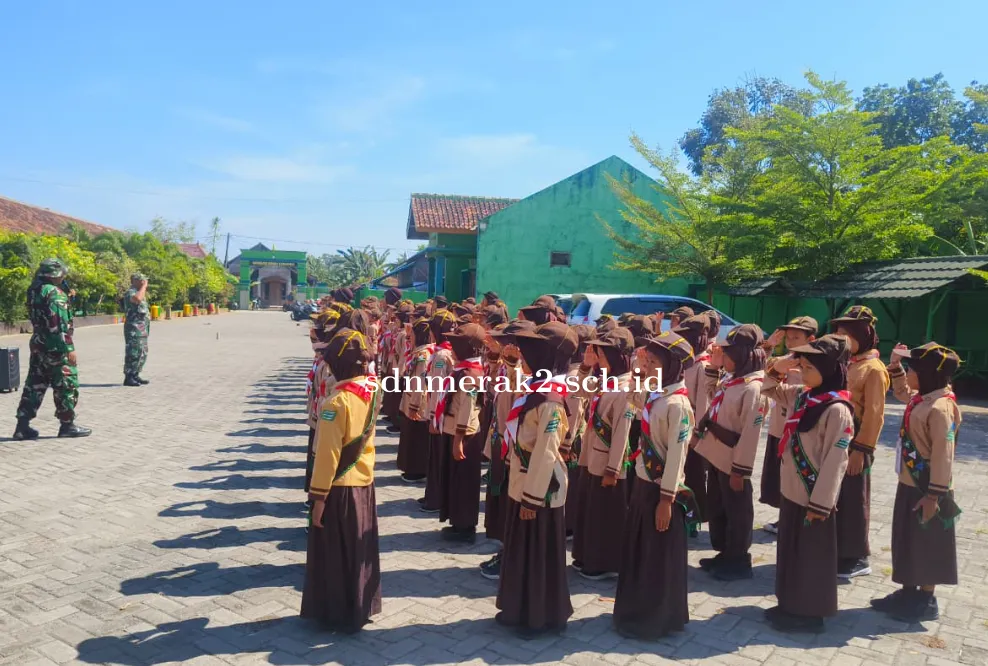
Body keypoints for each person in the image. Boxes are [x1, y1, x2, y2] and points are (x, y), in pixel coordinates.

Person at [762, 335, 855, 633]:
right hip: (792, 491)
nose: (802, 372)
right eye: (801, 366)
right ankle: (789, 604)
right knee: (790, 551)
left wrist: (821, 504)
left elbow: (836, 461)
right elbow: (768, 388)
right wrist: (780, 366)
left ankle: (810, 614)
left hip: (813, 497)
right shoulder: (803, 396)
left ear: (828, 369)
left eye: (809, 367)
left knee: (811, 557)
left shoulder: (837, 409)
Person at [613, 331, 696, 640]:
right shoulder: (656, 393)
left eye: (655, 362)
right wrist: (639, 370)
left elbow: (677, 456)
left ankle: (656, 618)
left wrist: (666, 500)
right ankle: (634, 609)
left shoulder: (678, 404)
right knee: (640, 552)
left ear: (673, 366)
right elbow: (632, 397)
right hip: (643, 485)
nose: (649, 367)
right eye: (648, 361)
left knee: (657, 558)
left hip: (661, 491)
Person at [871, 342, 961, 622]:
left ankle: (925, 599)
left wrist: (934, 496)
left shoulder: (941, 408)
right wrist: (895, 366)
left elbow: (944, 455)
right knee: (908, 539)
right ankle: (908, 591)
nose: (909, 374)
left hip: (928, 487)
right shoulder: (924, 398)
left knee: (928, 543)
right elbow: (902, 393)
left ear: (927, 374)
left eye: (912, 369)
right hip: (910, 483)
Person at [496, 321, 576, 636]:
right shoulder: (536, 389)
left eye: (528, 352)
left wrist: (531, 498)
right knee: (522, 551)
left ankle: (540, 617)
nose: (523, 356)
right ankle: (518, 609)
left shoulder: (552, 402)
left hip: (540, 490)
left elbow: (546, 452)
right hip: (524, 481)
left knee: (538, 555)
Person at [302, 328, 381, 633]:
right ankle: (361, 606)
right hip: (364, 482)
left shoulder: (336, 404)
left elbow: (328, 456)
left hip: (339, 488)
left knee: (336, 554)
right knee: (359, 551)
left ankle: (338, 612)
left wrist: (318, 498)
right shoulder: (372, 389)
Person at [694, 324, 767, 581]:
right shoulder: (732, 379)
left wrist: (740, 470)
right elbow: (712, 396)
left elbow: (750, 434)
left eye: (727, 354)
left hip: (733, 460)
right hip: (716, 454)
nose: (722, 356)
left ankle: (738, 560)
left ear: (742, 355)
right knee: (719, 507)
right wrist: (714, 369)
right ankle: (724, 552)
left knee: (737, 512)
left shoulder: (754, 388)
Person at [571, 327, 636, 580]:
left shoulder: (627, 387)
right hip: (592, 456)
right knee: (590, 510)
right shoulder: (608, 380)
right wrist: (585, 367)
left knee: (605, 515)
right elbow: (578, 392)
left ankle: (604, 563)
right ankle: (586, 555)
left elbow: (622, 432)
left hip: (607, 463)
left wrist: (613, 469)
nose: (599, 357)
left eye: (603, 353)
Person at [830, 305, 889, 579]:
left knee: (854, 500)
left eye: (846, 334)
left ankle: (857, 557)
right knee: (837, 496)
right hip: (837, 439)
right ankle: (838, 549)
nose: (840, 339)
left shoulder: (873, 369)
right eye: (838, 333)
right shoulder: (847, 362)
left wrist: (861, 450)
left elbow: (875, 414)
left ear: (861, 335)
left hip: (855, 443)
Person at [13, 259, 91, 440]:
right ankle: (67, 425)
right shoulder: (55, 293)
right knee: (66, 384)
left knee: (34, 385)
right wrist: (69, 348)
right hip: (56, 346)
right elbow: (59, 324)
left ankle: (22, 426)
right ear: (55, 275)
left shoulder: (35, 290)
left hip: (39, 344)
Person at [480, 320, 534, 579]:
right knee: (499, 501)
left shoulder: (526, 373)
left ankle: (509, 555)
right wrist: (494, 360)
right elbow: (493, 390)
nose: (499, 345)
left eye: (503, 342)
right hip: (499, 439)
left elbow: (516, 388)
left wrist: (511, 365)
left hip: (511, 446)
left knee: (507, 501)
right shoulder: (507, 367)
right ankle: (504, 548)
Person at [759, 316, 818, 534]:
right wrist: (769, 347)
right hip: (778, 428)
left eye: (796, 337)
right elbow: (760, 368)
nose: (790, 342)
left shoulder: (813, 367)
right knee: (778, 478)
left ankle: (797, 521)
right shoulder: (783, 360)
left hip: (798, 432)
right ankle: (784, 517)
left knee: (796, 477)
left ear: (811, 339)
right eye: (788, 337)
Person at [438, 323, 486, 542]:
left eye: (456, 345)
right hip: (454, 431)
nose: (452, 349)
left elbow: (467, 410)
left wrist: (458, 440)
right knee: (455, 480)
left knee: (464, 483)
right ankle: (457, 522)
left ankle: (465, 527)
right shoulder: (463, 370)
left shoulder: (469, 375)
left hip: (465, 436)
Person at [673, 314, 713, 531]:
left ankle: (694, 520)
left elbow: (703, 404)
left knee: (694, 477)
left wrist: (697, 433)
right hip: (682, 425)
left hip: (693, 432)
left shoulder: (703, 365)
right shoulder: (688, 362)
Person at [421, 309, 457, 513]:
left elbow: (437, 388)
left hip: (439, 415)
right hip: (443, 413)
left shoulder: (441, 356)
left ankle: (434, 498)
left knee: (436, 458)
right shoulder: (450, 350)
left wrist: (434, 417)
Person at [397, 318, 435, 484]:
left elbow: (420, 383)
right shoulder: (420, 352)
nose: (409, 337)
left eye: (412, 334)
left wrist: (414, 406)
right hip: (413, 399)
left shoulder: (423, 356)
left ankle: (417, 470)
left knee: (416, 439)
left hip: (418, 403)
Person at [123, 273, 151, 387]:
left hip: (142, 328)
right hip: (133, 328)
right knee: (133, 352)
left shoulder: (139, 292)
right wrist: (144, 287)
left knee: (142, 352)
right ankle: (128, 377)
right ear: (135, 281)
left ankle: (135, 374)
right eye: (142, 280)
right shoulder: (131, 292)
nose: (144, 282)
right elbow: (137, 299)